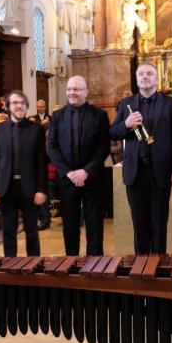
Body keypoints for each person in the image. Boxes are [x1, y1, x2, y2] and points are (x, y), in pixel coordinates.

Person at [110, 62, 172, 254]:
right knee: (139, 226)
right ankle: (142, 270)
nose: (145, 77)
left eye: (149, 74)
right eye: (141, 74)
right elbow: (112, 132)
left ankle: (159, 269)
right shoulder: (126, 104)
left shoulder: (171, 104)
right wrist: (126, 125)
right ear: (136, 79)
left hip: (161, 173)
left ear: (156, 78)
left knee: (159, 225)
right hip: (135, 174)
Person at [47, 76, 111, 256]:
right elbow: (52, 147)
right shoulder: (58, 116)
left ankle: (96, 266)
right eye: (69, 89)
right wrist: (68, 173)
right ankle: (71, 265)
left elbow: (103, 147)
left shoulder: (100, 115)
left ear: (86, 92)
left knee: (95, 227)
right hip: (67, 181)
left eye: (76, 89)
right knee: (70, 227)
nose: (71, 93)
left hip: (93, 179)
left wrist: (86, 171)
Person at [0, 90, 48, 257]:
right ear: (8, 107)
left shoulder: (36, 130)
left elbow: (41, 162)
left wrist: (41, 189)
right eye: (14, 103)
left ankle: (34, 267)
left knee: (31, 231)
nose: (19, 106)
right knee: (8, 231)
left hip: (29, 187)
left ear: (26, 107)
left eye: (22, 103)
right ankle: (10, 268)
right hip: (6, 187)